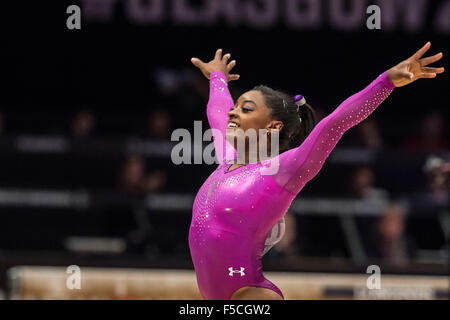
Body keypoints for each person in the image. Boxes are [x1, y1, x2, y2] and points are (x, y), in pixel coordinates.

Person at [189, 43, 444, 300]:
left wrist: (385, 82)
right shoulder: (226, 159)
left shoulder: (282, 171)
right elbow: (218, 111)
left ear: (273, 126)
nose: (233, 112)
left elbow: (335, 123)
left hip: (248, 293)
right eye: (237, 107)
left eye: (246, 108)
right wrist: (217, 78)